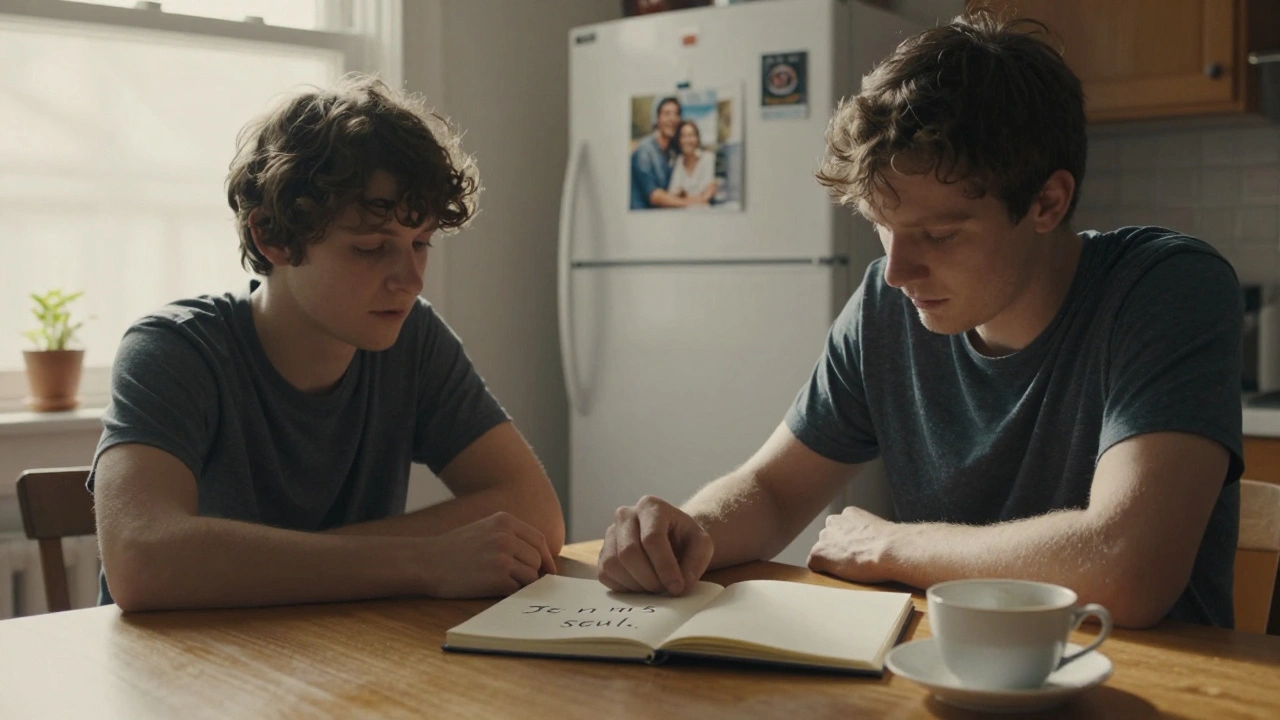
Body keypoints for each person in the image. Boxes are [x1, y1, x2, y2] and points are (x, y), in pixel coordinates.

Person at [597, 12, 1243, 629]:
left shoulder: (1167, 290)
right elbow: (771, 492)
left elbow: (1128, 565)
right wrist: (688, 531)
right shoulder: (888, 303)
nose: (899, 271)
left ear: (1048, 203)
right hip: (944, 676)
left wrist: (896, 547)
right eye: (884, 229)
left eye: (938, 234)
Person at [91, 73, 565, 612]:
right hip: (182, 676)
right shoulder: (174, 351)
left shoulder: (413, 338)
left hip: (336, 663)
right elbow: (141, 558)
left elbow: (536, 513)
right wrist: (423, 559)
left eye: (421, 243)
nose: (410, 280)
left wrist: (266, 562)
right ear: (270, 236)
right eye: (369, 248)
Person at [630, 96, 698, 210]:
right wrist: (694, 202)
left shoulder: (672, 152)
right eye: (667, 114)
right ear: (657, 118)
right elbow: (654, 196)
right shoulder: (644, 150)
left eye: (676, 114)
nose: (672, 119)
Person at [667, 120, 717, 205]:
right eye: (683, 136)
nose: (687, 140)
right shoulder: (677, 162)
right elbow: (672, 194)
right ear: (679, 140)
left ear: (697, 139)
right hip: (680, 214)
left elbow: (707, 195)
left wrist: (684, 196)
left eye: (691, 135)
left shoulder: (707, 158)